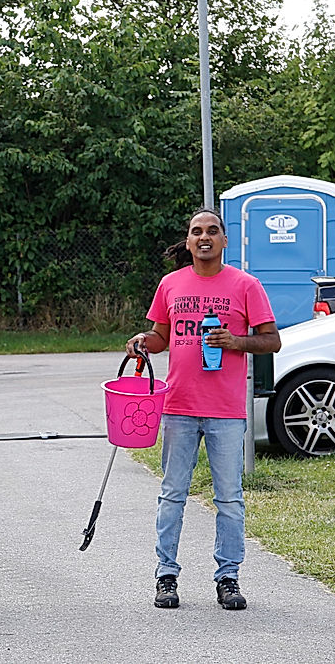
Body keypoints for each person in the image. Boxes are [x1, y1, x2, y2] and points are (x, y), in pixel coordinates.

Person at [126, 208, 280, 611]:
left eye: (213, 231)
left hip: (226, 411)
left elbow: (272, 340)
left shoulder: (245, 285)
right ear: (189, 241)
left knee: (228, 498)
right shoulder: (171, 284)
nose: (204, 237)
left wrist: (236, 342)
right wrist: (142, 341)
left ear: (225, 240)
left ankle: (228, 577)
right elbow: (160, 336)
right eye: (197, 231)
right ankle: (166, 574)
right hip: (178, 406)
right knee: (172, 494)